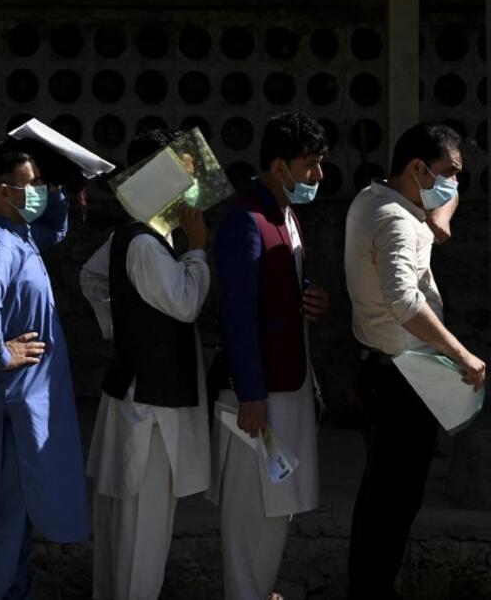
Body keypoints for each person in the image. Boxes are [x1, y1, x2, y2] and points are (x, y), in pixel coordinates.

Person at [343, 122, 485, 599]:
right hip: (399, 382)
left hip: (382, 373)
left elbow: (446, 206)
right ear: (417, 169)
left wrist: (441, 216)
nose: (454, 185)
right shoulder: (398, 221)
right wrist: (460, 352)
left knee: (381, 501)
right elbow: (404, 303)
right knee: (392, 507)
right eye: (448, 174)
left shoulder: (375, 198)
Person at [82, 129, 213, 600]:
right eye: (180, 176)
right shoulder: (142, 242)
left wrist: (117, 323)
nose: (189, 189)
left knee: (135, 523)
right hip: (150, 406)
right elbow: (184, 304)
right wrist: (198, 248)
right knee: (142, 525)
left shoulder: (145, 235)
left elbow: (93, 275)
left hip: (145, 393)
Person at [0, 140, 87, 599]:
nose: (39, 192)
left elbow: (53, 231)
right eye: (32, 185)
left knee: (19, 514)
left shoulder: (19, 235)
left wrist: (62, 193)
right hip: (9, 404)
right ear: (3, 192)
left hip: (25, 402)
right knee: (1, 514)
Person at [208, 112, 330, 600]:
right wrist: (250, 395)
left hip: (290, 385)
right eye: (310, 164)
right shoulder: (245, 219)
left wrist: (308, 295)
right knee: (248, 513)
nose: (317, 176)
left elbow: (277, 287)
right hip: (257, 395)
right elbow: (237, 314)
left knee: (278, 506)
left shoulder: (287, 215)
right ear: (279, 165)